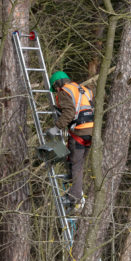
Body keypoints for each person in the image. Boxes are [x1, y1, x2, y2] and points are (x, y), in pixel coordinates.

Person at [46, 70, 94, 213]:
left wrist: (56, 127)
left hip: (79, 132)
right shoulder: (84, 89)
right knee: (76, 163)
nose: (55, 91)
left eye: (54, 88)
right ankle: (74, 190)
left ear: (57, 83)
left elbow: (69, 113)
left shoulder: (64, 92)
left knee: (76, 165)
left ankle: (75, 197)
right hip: (90, 131)